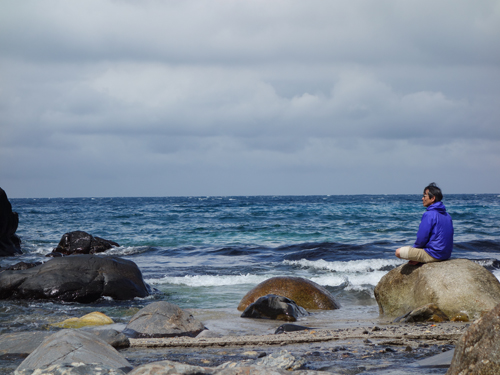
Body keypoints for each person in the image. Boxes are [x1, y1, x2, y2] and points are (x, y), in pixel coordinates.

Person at [395, 183, 453, 265]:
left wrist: (415, 254)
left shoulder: (429, 214)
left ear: (432, 198)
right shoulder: (447, 215)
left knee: (398, 252)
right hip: (446, 254)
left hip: (434, 254)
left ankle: (422, 259)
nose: (422, 198)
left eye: (424, 196)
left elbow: (422, 238)